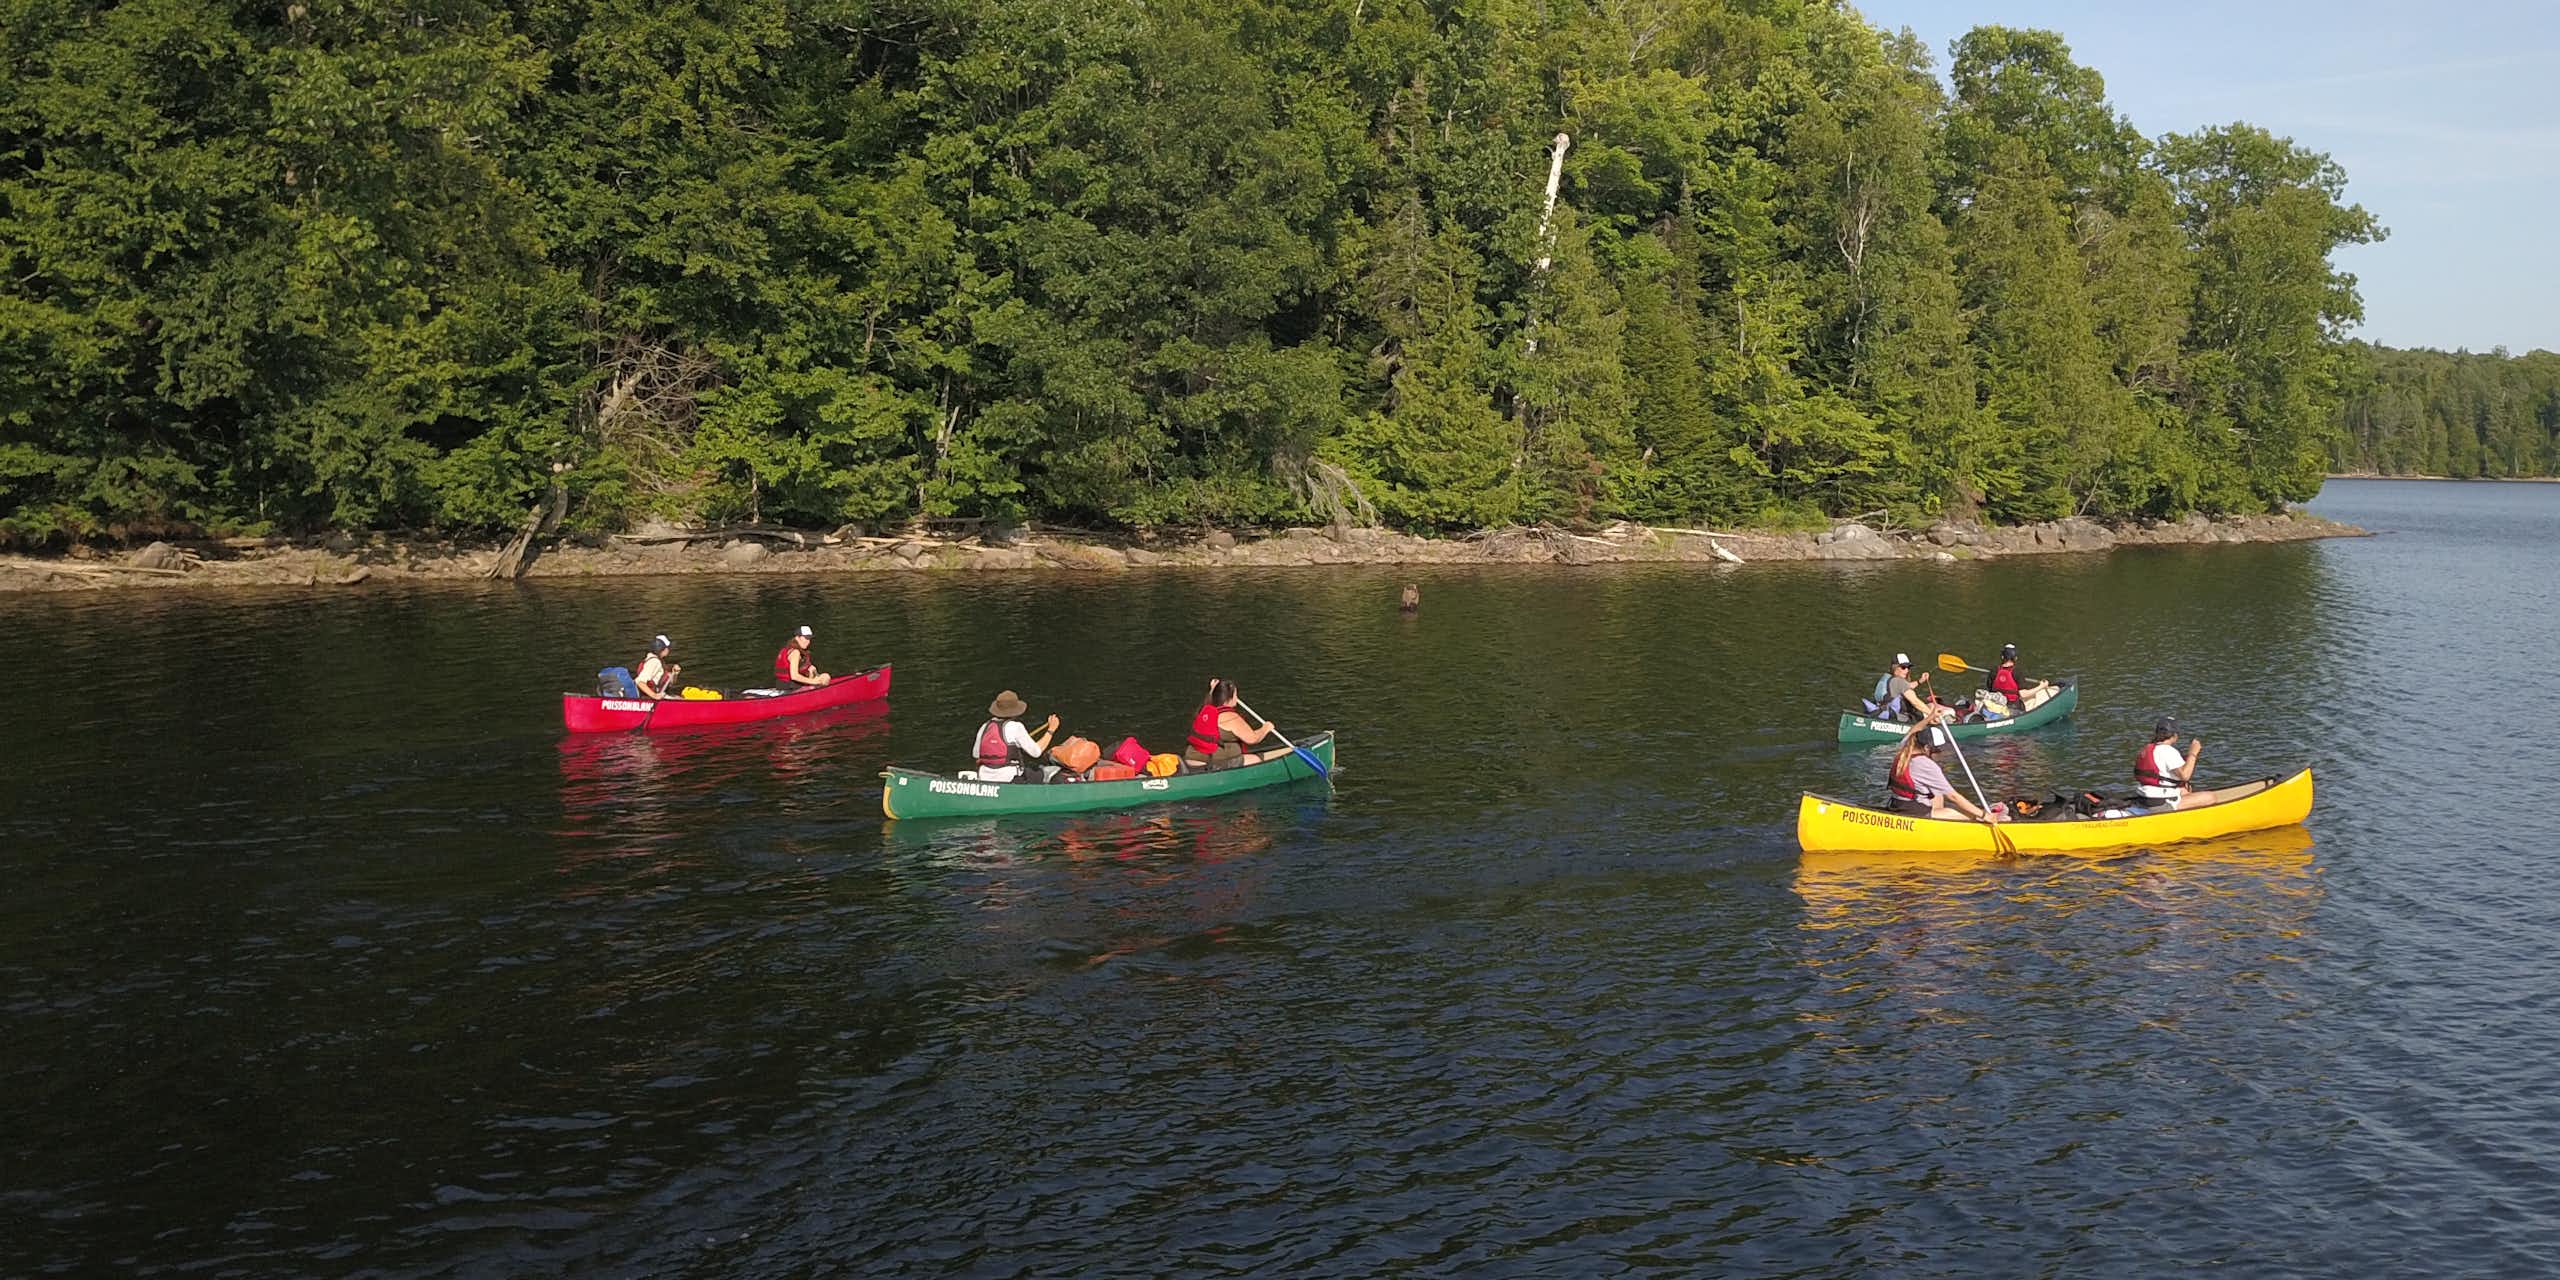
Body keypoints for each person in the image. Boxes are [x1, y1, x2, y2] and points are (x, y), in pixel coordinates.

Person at [1885, 724, 1999, 822]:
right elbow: (1953, 796)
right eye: (1937, 750)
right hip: (1914, 811)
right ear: (1926, 748)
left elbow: (1912, 731)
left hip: (1896, 804)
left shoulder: (1904, 751)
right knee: (1970, 815)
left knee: (1938, 793)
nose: (1941, 754)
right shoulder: (1926, 764)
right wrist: (1983, 815)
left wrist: (1931, 716)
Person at [2134, 716, 2238, 810]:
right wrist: (2193, 753)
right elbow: (2185, 776)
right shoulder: (2167, 751)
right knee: (2210, 797)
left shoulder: (2148, 748)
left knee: (2184, 790)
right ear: (2175, 735)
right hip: (2159, 803)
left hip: (2144, 798)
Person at [1181, 678, 1280, 771]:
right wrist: (1266, 728)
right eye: (1236, 695)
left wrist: (1213, 689)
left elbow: (1211, 696)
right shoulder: (1231, 717)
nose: (1237, 699)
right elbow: (1252, 739)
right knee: (1254, 760)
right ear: (1229, 697)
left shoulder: (1205, 709)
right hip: (1211, 764)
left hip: (1191, 759)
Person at [971, 690, 1059, 783]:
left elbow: (976, 754)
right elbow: (1036, 752)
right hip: (1010, 779)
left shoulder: (985, 726)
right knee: (1051, 771)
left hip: (984, 777)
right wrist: (1051, 730)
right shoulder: (1016, 727)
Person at [1983, 642, 2054, 712]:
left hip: (1996, 704)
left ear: (2002, 657)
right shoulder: (2017, 672)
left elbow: (1990, 689)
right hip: (2013, 707)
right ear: (2016, 658)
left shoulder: (1994, 671)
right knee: (2034, 697)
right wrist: (2041, 686)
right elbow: (2023, 694)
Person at [1869, 654, 1936, 723]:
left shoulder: (1888, 677)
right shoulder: (1899, 681)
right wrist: (1933, 715)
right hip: (1897, 717)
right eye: (1903, 667)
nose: (1907, 670)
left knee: (1930, 706)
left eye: (1908, 667)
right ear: (1895, 667)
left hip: (1883, 712)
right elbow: (1915, 702)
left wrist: (1920, 681)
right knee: (1932, 709)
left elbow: (1907, 686)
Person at [634, 635, 680, 700]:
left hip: (658, 695)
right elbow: (639, 682)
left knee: (679, 698)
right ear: (664, 649)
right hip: (650, 699)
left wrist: (675, 673)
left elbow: (671, 683)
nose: (669, 649)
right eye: (668, 647)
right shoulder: (654, 662)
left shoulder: (658, 660)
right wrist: (655, 696)